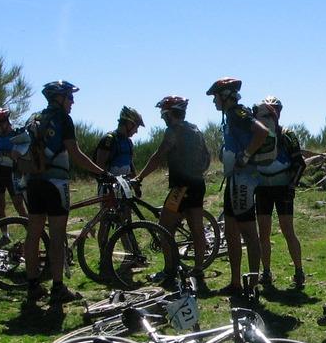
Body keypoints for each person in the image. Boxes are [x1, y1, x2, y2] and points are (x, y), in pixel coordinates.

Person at [22, 81, 106, 304]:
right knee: (57, 235)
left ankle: (32, 286)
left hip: (33, 181)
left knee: (33, 234)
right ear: (58, 98)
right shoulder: (63, 119)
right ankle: (58, 287)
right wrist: (101, 172)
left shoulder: (34, 118)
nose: (72, 101)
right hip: (55, 183)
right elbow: (75, 153)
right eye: (69, 97)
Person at [135, 96, 211, 295]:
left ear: (170, 114)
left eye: (164, 115)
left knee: (163, 227)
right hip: (198, 184)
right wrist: (197, 173)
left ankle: (170, 270)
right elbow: (207, 156)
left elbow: (158, 156)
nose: (163, 119)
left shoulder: (173, 131)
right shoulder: (195, 129)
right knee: (197, 229)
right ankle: (198, 269)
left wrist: (140, 177)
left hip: (181, 188)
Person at [205, 77, 268, 295]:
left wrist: (246, 155)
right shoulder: (230, 116)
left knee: (249, 232)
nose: (214, 101)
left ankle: (252, 283)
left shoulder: (237, 113)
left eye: (215, 97)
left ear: (225, 96)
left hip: (243, 180)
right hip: (234, 179)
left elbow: (262, 132)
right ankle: (235, 283)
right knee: (231, 231)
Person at [252, 96, 307, 289]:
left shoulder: (287, 134)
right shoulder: (256, 134)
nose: (272, 115)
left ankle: (299, 272)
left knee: (287, 231)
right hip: (263, 188)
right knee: (263, 233)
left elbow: (300, 163)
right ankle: (266, 272)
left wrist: (292, 186)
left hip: (283, 188)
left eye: (275, 111)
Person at [94, 106, 144, 267]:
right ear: (129, 123)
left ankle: (130, 256)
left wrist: (136, 184)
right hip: (109, 187)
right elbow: (99, 165)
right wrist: (106, 182)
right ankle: (104, 259)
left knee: (126, 221)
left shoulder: (128, 142)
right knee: (106, 222)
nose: (136, 131)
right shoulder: (109, 139)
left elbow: (130, 164)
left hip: (125, 186)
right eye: (136, 127)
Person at [0, 108, 28, 246]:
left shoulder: (17, 135)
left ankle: (32, 232)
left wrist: (4, 153)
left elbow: (21, 153)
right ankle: (5, 235)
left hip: (12, 171)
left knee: (18, 204)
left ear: (4, 123)